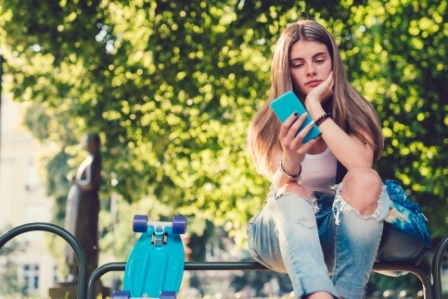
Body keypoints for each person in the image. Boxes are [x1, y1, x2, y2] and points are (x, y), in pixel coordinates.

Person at [246, 19, 394, 299]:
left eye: (319, 59)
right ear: (285, 69)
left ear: (333, 62)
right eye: (298, 63)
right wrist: (291, 158)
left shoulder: (354, 112)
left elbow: (361, 166)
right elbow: (280, 186)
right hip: (281, 233)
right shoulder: (268, 120)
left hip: (336, 233)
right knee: (293, 189)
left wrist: (315, 107)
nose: (311, 70)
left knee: (366, 179)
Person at [64, 133, 102, 281]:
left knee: (84, 235)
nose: (85, 144)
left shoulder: (94, 160)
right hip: (79, 206)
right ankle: (74, 269)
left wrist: (76, 181)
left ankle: (83, 269)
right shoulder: (88, 160)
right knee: (76, 234)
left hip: (86, 207)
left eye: (88, 142)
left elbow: (91, 184)